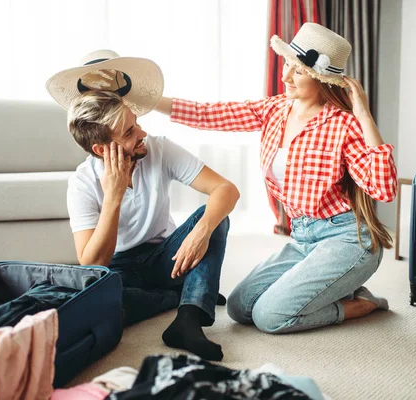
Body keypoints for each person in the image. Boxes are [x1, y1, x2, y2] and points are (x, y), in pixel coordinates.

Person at [154, 23, 397, 334]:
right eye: (286, 65)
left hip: (347, 239)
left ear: (321, 79)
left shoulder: (344, 125)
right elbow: (207, 113)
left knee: (270, 317)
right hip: (302, 238)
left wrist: (363, 115)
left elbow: (384, 188)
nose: (284, 77)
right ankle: (334, 286)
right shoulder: (274, 110)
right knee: (240, 307)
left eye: (296, 71)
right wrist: (147, 100)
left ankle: (359, 304)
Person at [46, 50, 240, 360]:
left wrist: (201, 232)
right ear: (101, 148)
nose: (143, 133)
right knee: (99, 296)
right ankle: (176, 293)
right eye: (129, 132)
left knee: (214, 216)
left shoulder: (159, 149)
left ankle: (188, 318)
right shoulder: (82, 184)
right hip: (121, 267)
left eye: (136, 124)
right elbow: (92, 263)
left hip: (168, 256)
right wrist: (113, 197)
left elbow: (225, 189)